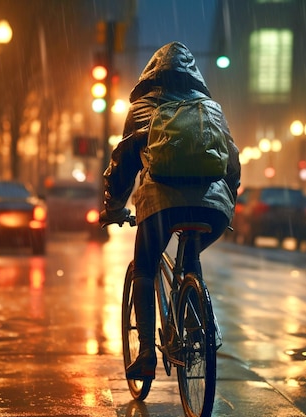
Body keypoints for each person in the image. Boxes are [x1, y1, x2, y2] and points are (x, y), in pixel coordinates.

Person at [99, 41, 241, 380]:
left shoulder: (141, 109)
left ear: (150, 74)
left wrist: (114, 208)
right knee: (189, 256)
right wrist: (228, 202)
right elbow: (232, 161)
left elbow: (124, 163)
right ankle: (195, 327)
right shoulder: (211, 109)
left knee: (145, 267)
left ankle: (147, 352)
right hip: (212, 208)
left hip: (161, 205)